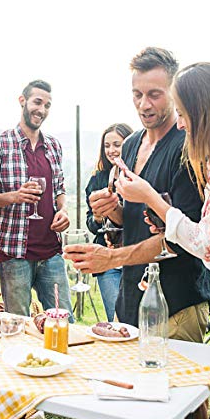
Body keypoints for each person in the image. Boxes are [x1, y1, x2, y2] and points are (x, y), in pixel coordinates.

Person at [64, 48, 210, 419]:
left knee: (182, 408)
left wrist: (108, 258)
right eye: (137, 94)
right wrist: (111, 212)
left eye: (155, 94)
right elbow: (134, 221)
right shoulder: (129, 145)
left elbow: (182, 238)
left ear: (175, 92)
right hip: (133, 293)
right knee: (133, 407)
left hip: (179, 297)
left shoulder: (190, 147)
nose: (144, 105)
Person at [116, 62, 210, 419]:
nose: (182, 123)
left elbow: (206, 244)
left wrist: (155, 202)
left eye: (185, 113)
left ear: (203, 112)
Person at [0, 79, 73, 321]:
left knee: (64, 322)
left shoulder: (53, 146)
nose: (41, 110)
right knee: (18, 325)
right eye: (37, 102)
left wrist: (63, 211)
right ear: (22, 101)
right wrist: (14, 196)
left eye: (47, 105)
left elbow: (59, 189)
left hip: (51, 251)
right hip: (13, 251)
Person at [85, 123, 133, 321]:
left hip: (135, 257)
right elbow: (91, 223)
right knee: (117, 320)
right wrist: (97, 217)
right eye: (107, 146)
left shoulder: (137, 176)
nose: (111, 150)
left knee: (137, 321)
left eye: (117, 144)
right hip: (107, 259)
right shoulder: (97, 179)